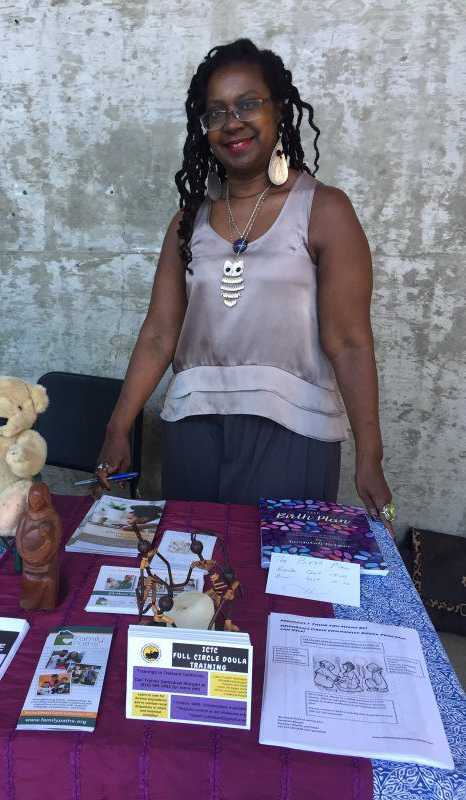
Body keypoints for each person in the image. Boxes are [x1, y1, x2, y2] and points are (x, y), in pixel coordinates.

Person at [94, 38, 394, 532]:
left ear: (279, 109)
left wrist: (370, 454)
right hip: (193, 429)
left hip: (292, 433)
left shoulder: (325, 210)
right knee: (192, 580)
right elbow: (158, 334)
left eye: (248, 104)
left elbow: (350, 343)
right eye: (215, 112)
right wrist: (117, 426)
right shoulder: (187, 222)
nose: (231, 122)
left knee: (272, 591)